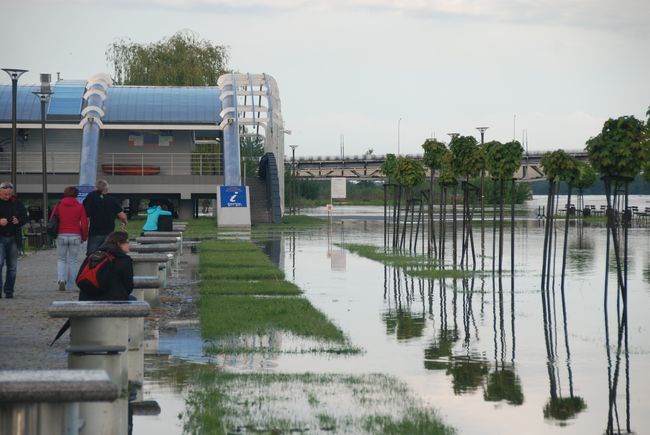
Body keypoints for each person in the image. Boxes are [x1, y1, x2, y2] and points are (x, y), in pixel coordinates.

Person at [78, 231, 134, 301]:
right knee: (135, 301)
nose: (128, 244)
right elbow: (129, 287)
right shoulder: (124, 260)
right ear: (119, 244)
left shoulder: (93, 255)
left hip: (85, 298)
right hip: (111, 300)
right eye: (126, 242)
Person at [51, 186, 88, 292]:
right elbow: (84, 224)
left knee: (61, 259)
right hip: (75, 235)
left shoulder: (58, 205)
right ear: (76, 195)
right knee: (73, 261)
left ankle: (61, 279)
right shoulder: (79, 206)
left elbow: (52, 219)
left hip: (61, 235)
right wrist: (84, 237)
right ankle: (71, 286)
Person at [83, 179, 127, 255]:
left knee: (92, 255)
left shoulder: (90, 198)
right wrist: (124, 222)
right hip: (109, 233)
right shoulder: (113, 200)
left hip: (94, 232)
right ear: (107, 189)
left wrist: (85, 230)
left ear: (96, 188)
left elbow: (87, 216)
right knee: (108, 254)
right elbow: (122, 216)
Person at [0, 181, 27, 299]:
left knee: (12, 267)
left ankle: (9, 291)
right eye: (5, 194)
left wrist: (19, 221)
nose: (7, 196)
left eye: (9, 194)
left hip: (13, 237)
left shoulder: (17, 203)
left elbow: (25, 217)